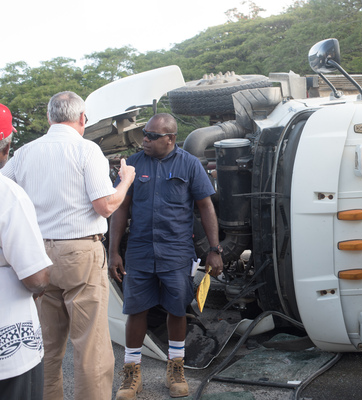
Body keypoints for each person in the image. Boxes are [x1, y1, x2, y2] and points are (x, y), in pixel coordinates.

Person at [0, 91, 136, 400]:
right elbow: (104, 206)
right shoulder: (87, 151)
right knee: (91, 346)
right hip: (79, 253)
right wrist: (125, 180)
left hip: (37, 255)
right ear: (82, 118)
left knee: (47, 345)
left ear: (49, 117)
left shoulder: (24, 152)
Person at [109, 113, 223, 399]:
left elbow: (206, 207)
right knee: (136, 311)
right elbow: (120, 208)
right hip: (140, 250)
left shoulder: (190, 165)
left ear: (170, 138)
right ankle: (131, 373)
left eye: (151, 136)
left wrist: (214, 249)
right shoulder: (133, 165)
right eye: (144, 134)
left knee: (176, 309)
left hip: (176, 251)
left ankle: (176, 368)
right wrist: (113, 251)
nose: (144, 140)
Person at [0, 104, 52, 400]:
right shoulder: (7, 194)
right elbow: (35, 278)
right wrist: (41, 283)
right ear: (6, 146)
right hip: (9, 349)